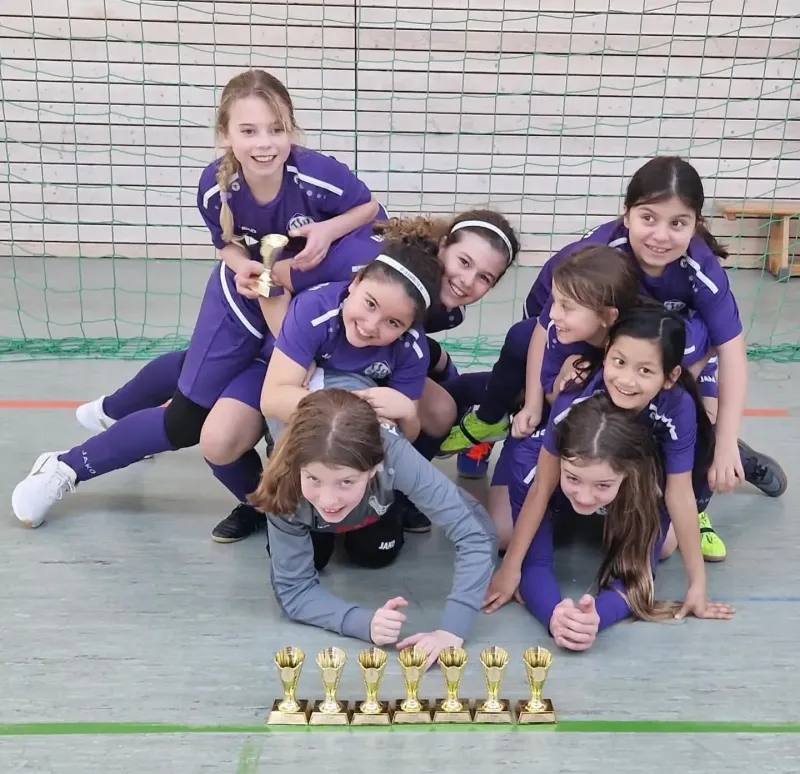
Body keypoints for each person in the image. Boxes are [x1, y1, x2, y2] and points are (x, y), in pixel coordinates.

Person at [11, 66, 383, 528]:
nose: (264, 143)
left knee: (217, 379)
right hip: (242, 301)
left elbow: (368, 208)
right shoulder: (216, 186)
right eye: (248, 131)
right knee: (186, 421)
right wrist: (242, 265)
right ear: (225, 134)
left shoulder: (318, 177)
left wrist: (325, 231)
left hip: (293, 306)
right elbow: (225, 244)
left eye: (276, 129)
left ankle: (116, 410)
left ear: (292, 130)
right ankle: (65, 467)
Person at [71, 211, 520, 540]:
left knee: (437, 409)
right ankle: (266, 504)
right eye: (463, 262)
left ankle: (392, 495)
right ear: (443, 247)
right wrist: (305, 367)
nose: (468, 281)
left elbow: (413, 343)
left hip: (353, 350)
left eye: (486, 278)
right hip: (274, 323)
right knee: (208, 417)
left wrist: (436, 365)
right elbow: (275, 279)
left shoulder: (443, 309)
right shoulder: (370, 263)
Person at [517, 155, 785, 501]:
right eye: (648, 218)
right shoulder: (596, 260)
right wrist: (535, 402)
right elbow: (541, 329)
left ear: (695, 224)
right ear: (626, 214)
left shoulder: (701, 271)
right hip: (589, 338)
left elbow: (732, 352)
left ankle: (722, 456)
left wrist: (724, 441)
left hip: (670, 352)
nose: (661, 236)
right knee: (574, 398)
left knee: (690, 414)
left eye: (678, 223)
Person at [485, 302, 720, 618]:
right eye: (619, 362)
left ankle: (725, 453)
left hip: (623, 464)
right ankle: (554, 474)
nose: (626, 380)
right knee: (505, 534)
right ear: (607, 351)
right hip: (551, 456)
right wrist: (513, 569)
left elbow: (679, 494)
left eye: (645, 370)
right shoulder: (574, 402)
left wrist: (697, 584)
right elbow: (541, 487)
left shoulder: (677, 408)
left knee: (665, 546)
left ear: (670, 376)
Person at [247, 383, 498, 667]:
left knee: (375, 553)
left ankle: (380, 507)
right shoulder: (284, 479)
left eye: (346, 481)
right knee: (315, 554)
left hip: (373, 497)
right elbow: (293, 590)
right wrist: (361, 622)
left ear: (375, 468)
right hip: (307, 502)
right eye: (314, 478)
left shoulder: (394, 456)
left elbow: (476, 533)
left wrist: (452, 630)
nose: (328, 499)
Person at [504, 393, 734, 651]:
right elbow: (534, 564)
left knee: (667, 544)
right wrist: (556, 618)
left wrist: (594, 619)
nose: (585, 496)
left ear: (629, 474)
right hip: (549, 484)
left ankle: (737, 454)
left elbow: (637, 577)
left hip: (646, 474)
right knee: (503, 534)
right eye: (573, 478)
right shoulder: (531, 465)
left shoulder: (655, 481)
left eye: (602, 484)